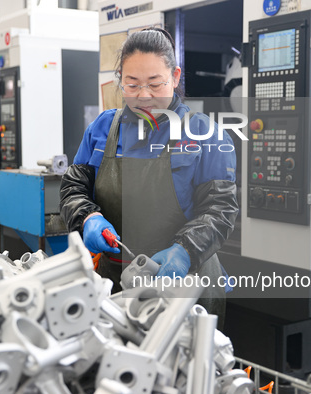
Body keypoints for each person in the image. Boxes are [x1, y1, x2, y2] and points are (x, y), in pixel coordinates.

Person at [60, 28, 238, 324]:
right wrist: (88, 217)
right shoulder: (103, 128)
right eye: (132, 85)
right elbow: (73, 187)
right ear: (120, 80)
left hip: (186, 289)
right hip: (115, 284)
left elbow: (220, 209)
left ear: (175, 77)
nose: (144, 96)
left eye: (155, 84)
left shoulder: (206, 135)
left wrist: (184, 250)